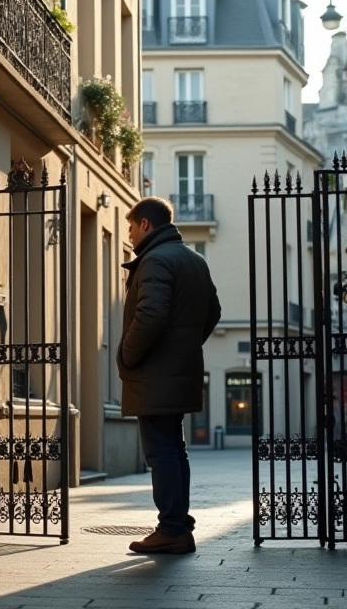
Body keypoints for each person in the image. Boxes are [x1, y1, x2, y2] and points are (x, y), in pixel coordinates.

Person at [118, 196, 221, 555]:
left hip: (154, 375)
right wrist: (185, 347)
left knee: (161, 453)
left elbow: (151, 315)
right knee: (175, 450)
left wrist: (127, 355)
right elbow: (213, 311)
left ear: (146, 224)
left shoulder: (155, 260)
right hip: (177, 372)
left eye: (131, 227)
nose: (130, 235)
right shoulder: (194, 260)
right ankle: (177, 526)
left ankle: (171, 529)